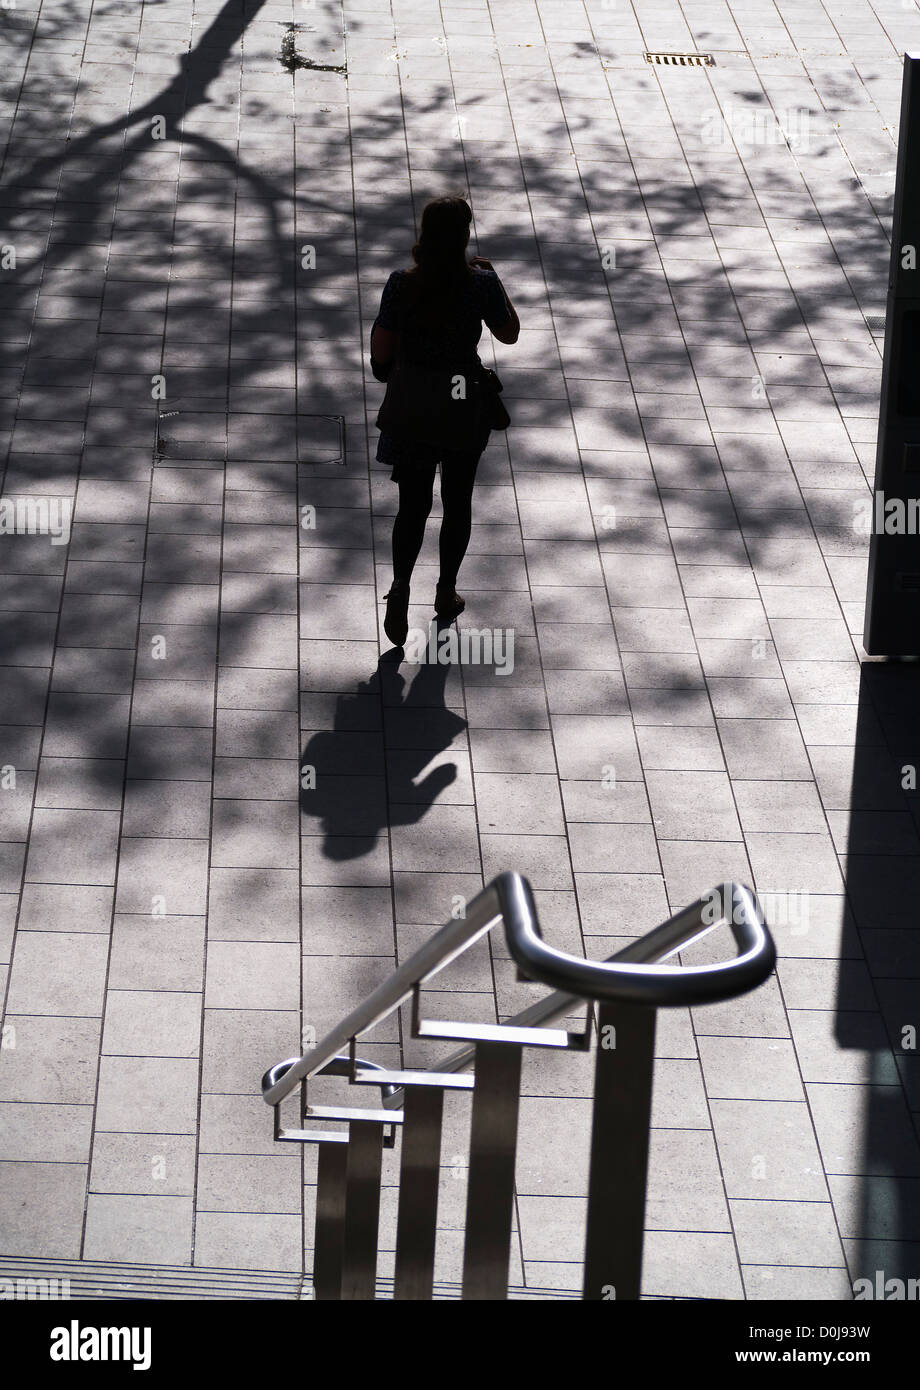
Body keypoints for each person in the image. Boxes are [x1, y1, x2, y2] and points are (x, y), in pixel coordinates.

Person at [369, 196, 520, 647]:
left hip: (414, 408)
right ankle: (445, 591)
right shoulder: (479, 284)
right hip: (461, 404)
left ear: (424, 234)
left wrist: (396, 372)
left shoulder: (401, 284)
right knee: (457, 503)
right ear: (465, 235)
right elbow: (509, 333)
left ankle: (399, 590)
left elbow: (380, 354)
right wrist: (494, 279)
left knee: (412, 506)